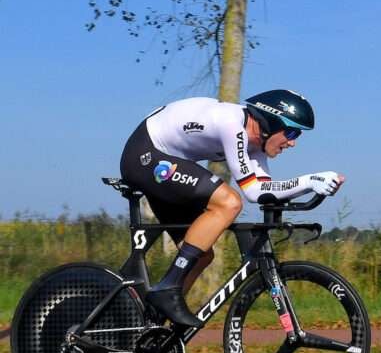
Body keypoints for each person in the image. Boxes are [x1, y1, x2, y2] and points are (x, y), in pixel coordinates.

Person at [118, 89, 345, 328]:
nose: (293, 141)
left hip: (165, 160)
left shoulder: (255, 144)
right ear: (270, 122)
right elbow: (253, 191)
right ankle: (167, 289)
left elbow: (266, 190)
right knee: (229, 202)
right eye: (290, 132)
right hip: (145, 155)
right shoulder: (232, 125)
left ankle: (149, 324)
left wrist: (313, 189)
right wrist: (309, 181)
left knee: (201, 253)